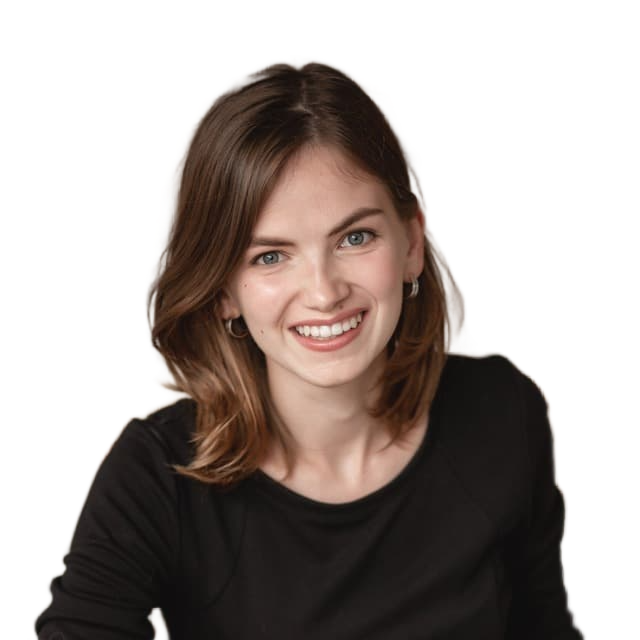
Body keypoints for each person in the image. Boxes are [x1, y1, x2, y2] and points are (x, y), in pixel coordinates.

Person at [34, 58, 585, 639]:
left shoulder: (503, 412)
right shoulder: (160, 472)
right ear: (223, 291)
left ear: (411, 244)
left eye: (355, 237)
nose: (324, 293)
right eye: (270, 256)